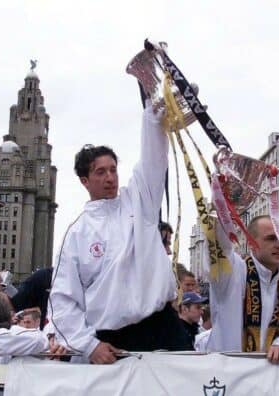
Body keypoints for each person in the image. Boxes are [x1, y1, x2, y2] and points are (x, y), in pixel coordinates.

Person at [49, 103, 191, 365]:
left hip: (163, 327)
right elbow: (62, 299)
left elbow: (153, 162)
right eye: (100, 172)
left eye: (113, 170)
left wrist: (154, 118)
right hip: (112, 340)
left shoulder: (139, 200)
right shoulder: (77, 234)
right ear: (84, 180)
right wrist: (89, 346)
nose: (110, 177)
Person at [203, 214, 279, 364]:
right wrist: (222, 211)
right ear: (251, 243)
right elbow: (220, 248)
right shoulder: (233, 272)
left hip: (271, 374)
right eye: (271, 238)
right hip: (227, 372)